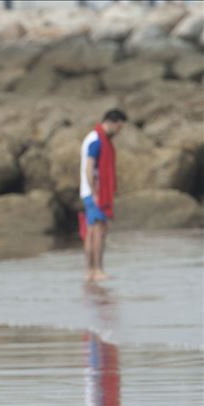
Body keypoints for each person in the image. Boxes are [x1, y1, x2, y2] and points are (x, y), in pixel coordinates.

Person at [80, 109, 127, 282]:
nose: (119, 131)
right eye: (119, 127)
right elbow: (89, 167)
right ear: (112, 123)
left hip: (90, 191)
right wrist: (95, 193)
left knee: (92, 232)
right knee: (98, 232)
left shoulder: (97, 138)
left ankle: (90, 271)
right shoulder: (96, 140)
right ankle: (96, 270)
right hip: (94, 193)